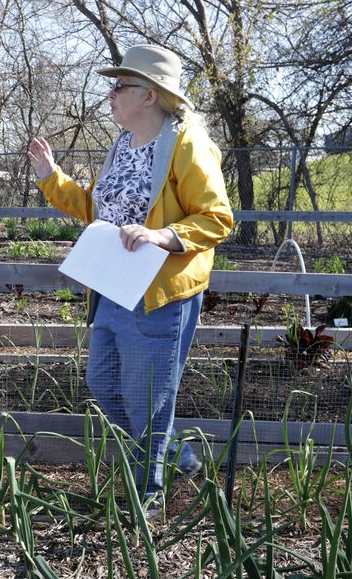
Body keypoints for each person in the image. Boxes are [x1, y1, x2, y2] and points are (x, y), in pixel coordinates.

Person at [27, 44, 233, 511]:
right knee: (104, 383)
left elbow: (218, 218)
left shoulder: (187, 143)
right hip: (111, 288)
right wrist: (51, 177)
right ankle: (177, 455)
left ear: (151, 96)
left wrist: (164, 235)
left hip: (159, 297)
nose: (110, 94)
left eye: (121, 86)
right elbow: (95, 211)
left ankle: (149, 496)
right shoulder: (122, 145)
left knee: (148, 402)